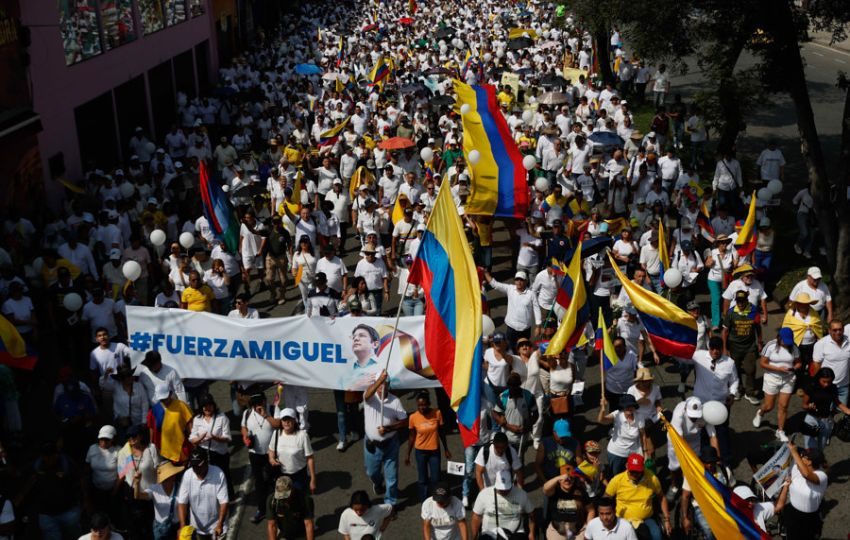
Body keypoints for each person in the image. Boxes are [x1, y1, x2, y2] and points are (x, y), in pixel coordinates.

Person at [363, 370, 407, 507]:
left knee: (392, 477)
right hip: (372, 444)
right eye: (380, 384)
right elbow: (368, 395)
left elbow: (405, 421)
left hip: (390, 444)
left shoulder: (395, 401)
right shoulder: (370, 398)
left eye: (385, 384)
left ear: (388, 385)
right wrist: (379, 380)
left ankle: (390, 504)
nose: (382, 387)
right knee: (371, 472)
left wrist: (389, 429)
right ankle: (377, 482)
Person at [604, 453, 671, 540]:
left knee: (657, 536)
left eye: (637, 471)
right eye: (632, 471)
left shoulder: (652, 479)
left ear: (643, 468)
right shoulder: (617, 480)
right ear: (627, 466)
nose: (634, 474)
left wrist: (667, 520)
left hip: (646, 518)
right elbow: (605, 499)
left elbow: (661, 497)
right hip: (623, 520)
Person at [753, 328, 801, 441]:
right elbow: (763, 363)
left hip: (788, 379)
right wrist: (778, 369)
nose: (787, 343)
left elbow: (799, 362)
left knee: (783, 406)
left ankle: (780, 431)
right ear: (779, 337)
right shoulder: (770, 346)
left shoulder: (793, 347)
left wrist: (793, 368)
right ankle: (760, 412)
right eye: (785, 341)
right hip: (772, 378)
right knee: (769, 406)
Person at [406, 391, 451, 502]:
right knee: (422, 479)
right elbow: (412, 436)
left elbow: (441, 432)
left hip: (434, 451)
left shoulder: (437, 413)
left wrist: (446, 449)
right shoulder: (413, 417)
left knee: (436, 478)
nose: (422, 407)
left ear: (429, 403)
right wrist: (407, 454)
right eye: (419, 405)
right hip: (420, 452)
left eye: (424, 405)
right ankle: (424, 501)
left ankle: (435, 499)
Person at [679, 446, 732, 539]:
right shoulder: (692, 474)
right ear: (701, 462)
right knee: (709, 530)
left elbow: (732, 489)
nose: (710, 465)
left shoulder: (724, 471)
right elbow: (685, 496)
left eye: (712, 462)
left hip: (722, 504)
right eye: (707, 462)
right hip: (702, 507)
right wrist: (685, 518)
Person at [471, 469, 537, 540]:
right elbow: (476, 517)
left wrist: (531, 533)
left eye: (506, 489)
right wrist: (474, 537)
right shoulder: (484, 494)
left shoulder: (521, 494)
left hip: (515, 533)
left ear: (511, 484)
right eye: (501, 489)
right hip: (489, 534)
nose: (504, 491)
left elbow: (531, 514)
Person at [177, 448, 229, 539]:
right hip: (196, 528)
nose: (196, 469)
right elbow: (182, 502)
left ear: (206, 462)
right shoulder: (187, 475)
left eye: (199, 466)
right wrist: (182, 524)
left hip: (216, 528)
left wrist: (220, 524)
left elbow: (224, 502)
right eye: (194, 466)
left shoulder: (218, 474)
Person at [722, 289, 762, 404]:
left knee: (751, 369)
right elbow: (724, 331)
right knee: (735, 369)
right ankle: (738, 389)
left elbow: (758, 327)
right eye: (738, 301)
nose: (740, 304)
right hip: (734, 346)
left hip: (750, 346)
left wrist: (759, 342)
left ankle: (749, 393)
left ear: (746, 300)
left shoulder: (753, 311)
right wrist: (725, 349)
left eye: (742, 301)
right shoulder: (731, 313)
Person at [241, 393, 276, 523]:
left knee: (273, 481)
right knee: (259, 483)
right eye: (255, 403)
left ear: (265, 401)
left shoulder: (272, 409)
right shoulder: (247, 413)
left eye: (260, 402)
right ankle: (261, 510)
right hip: (255, 454)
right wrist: (245, 436)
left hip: (271, 453)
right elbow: (243, 427)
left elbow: (278, 424)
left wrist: (265, 415)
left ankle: (276, 509)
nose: (258, 405)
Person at [485, 270, 542, 348]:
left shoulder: (531, 294)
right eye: (517, 279)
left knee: (523, 349)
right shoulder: (510, 289)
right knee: (510, 349)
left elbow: (536, 309)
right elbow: (495, 284)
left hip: (524, 329)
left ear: (526, 281)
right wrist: (485, 273)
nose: (519, 282)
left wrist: (538, 326)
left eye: (521, 280)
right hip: (511, 328)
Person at [783, 442, 828, 540]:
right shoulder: (796, 467)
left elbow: (807, 475)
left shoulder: (822, 476)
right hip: (792, 513)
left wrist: (794, 452)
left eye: (803, 456)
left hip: (809, 518)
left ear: (809, 462)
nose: (800, 456)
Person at [597, 394, 648, 478]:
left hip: (634, 453)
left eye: (631, 405)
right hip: (616, 453)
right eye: (626, 406)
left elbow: (643, 435)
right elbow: (601, 420)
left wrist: (645, 452)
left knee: (633, 476)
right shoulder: (617, 414)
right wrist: (603, 409)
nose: (629, 408)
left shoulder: (640, 416)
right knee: (616, 476)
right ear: (622, 407)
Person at [188, 394, 232, 490]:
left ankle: (228, 496)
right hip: (204, 454)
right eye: (204, 406)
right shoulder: (197, 419)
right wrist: (200, 439)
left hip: (220, 454)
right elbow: (192, 438)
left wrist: (215, 438)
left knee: (223, 476)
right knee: (208, 477)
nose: (207, 408)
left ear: (213, 405)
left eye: (209, 405)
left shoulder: (222, 418)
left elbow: (228, 438)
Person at [268, 407, 316, 494]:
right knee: (284, 500)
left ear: (294, 420)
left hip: (299, 475)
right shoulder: (276, 434)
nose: (286, 422)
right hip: (281, 475)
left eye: (289, 419)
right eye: (284, 419)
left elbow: (310, 458)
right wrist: (271, 459)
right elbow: (271, 450)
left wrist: (312, 479)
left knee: (298, 498)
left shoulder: (302, 436)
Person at [801, 367, 850, 450]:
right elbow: (804, 405)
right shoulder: (811, 387)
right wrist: (809, 406)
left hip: (826, 421)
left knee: (820, 449)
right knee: (810, 450)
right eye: (824, 381)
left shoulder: (833, 388)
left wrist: (848, 411)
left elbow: (837, 402)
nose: (826, 384)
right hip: (812, 419)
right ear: (818, 378)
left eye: (829, 382)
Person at [135, 461, 184, 540]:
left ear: (173, 476)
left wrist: (182, 526)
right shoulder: (155, 489)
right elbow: (138, 496)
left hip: (177, 527)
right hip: (160, 529)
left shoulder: (181, 488)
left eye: (170, 477)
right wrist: (137, 483)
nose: (167, 480)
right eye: (165, 479)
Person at [146, 383, 193, 463]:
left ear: (170, 394)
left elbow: (190, 426)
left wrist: (194, 443)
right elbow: (152, 428)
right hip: (163, 451)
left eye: (165, 398)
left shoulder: (181, 406)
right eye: (161, 400)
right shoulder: (154, 410)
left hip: (181, 448)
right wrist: (152, 445)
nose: (164, 401)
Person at [542, 470, 595, 540]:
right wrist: (558, 477)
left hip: (578, 531)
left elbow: (591, 510)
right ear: (559, 480)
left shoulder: (580, 491)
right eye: (564, 479)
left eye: (571, 478)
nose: (568, 481)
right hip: (557, 531)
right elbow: (545, 488)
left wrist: (588, 528)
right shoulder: (554, 491)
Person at [84, 425, 119, 522]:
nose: (103, 442)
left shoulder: (118, 451)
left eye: (107, 439)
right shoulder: (92, 449)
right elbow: (87, 469)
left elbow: (121, 474)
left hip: (112, 491)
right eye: (101, 439)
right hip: (96, 490)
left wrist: (114, 491)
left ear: (113, 439)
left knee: (112, 515)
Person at [812, 320, 850, 405]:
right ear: (829, 330)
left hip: (844, 386)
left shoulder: (849, 341)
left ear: (843, 330)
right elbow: (817, 365)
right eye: (835, 330)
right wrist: (817, 385)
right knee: (826, 411)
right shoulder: (821, 344)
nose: (838, 332)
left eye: (840, 329)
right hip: (827, 386)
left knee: (840, 414)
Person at [266, 476, 315, 540]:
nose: (282, 499)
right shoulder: (272, 500)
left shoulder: (305, 500)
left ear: (292, 489)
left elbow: (308, 524)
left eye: (285, 496)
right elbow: (272, 525)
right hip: (283, 533)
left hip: (301, 534)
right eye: (280, 496)